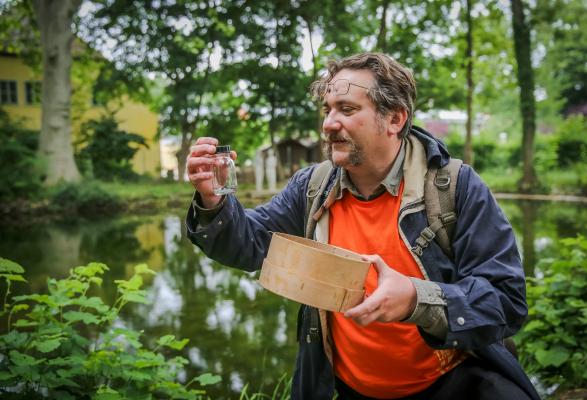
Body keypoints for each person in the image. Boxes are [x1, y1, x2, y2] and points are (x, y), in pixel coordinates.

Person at [185, 52, 540, 400]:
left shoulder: (455, 187)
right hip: (350, 388)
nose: (328, 123)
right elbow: (250, 246)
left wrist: (417, 299)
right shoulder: (312, 187)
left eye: (348, 109)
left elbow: (506, 300)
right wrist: (214, 202)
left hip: (451, 384)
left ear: (395, 119)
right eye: (328, 110)